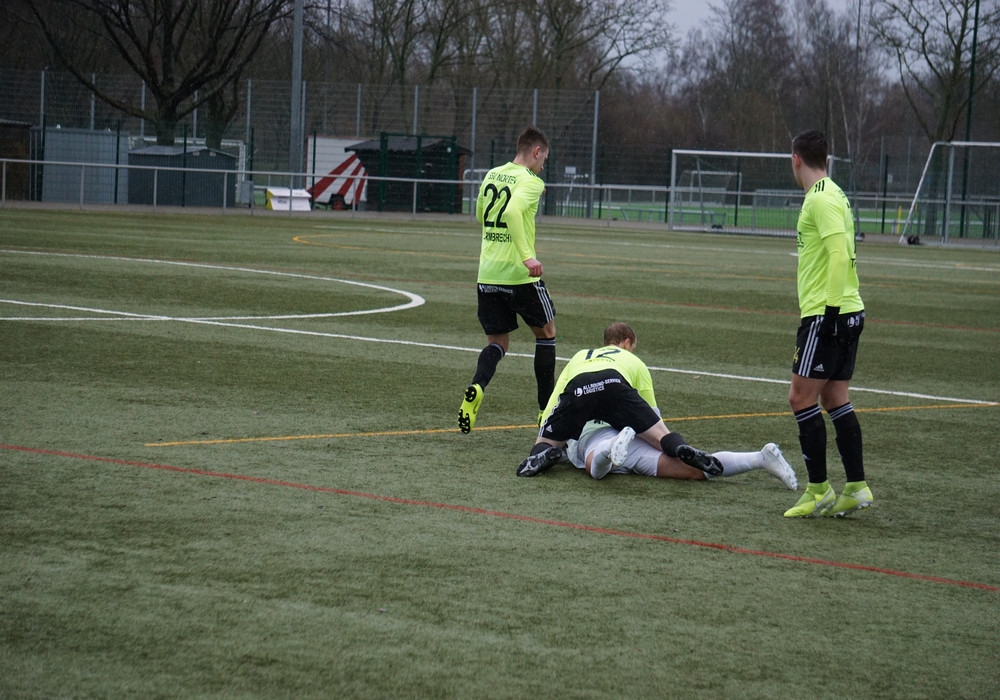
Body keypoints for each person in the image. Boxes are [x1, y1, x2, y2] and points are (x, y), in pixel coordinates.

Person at [784, 130, 872, 517]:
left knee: (800, 398)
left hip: (827, 313)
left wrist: (831, 312)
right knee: (835, 398)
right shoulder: (834, 193)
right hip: (847, 310)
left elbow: (838, 255)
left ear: (796, 159)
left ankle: (818, 489)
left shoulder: (820, 199)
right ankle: (856, 486)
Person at [517, 322, 726, 478]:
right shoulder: (633, 360)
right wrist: (658, 437)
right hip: (614, 384)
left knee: (547, 442)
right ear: (627, 343)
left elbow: (558, 394)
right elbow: (651, 410)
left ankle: (538, 456)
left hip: (580, 387)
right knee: (661, 436)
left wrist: (546, 427)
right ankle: (680, 448)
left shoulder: (582, 355)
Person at [459, 126, 556, 434]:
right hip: (519, 275)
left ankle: (477, 386)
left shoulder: (492, 174)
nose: (543, 166)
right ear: (536, 152)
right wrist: (527, 256)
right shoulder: (531, 181)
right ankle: (545, 412)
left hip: (488, 273)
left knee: (498, 343)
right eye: (544, 159)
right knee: (546, 334)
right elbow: (513, 212)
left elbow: (480, 215)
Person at [561, 420, 797, 489]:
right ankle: (760, 458)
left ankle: (611, 446)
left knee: (595, 469)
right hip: (634, 434)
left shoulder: (578, 378)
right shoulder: (625, 372)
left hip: (594, 434)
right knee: (696, 472)